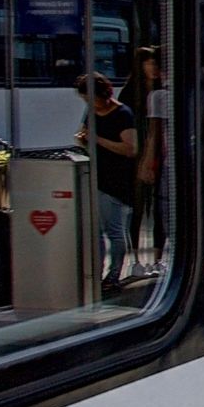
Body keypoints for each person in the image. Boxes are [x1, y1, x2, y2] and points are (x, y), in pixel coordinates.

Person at [75, 74, 137, 291]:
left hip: (116, 178)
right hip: (97, 174)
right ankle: (97, 273)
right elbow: (86, 137)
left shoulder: (123, 114)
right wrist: (84, 141)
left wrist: (97, 140)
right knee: (98, 229)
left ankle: (114, 275)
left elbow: (130, 149)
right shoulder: (91, 113)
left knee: (114, 229)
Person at [131, 47, 171, 278]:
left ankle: (160, 258)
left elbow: (155, 134)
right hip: (176, 161)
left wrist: (146, 162)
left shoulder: (157, 96)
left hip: (167, 162)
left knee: (163, 209)